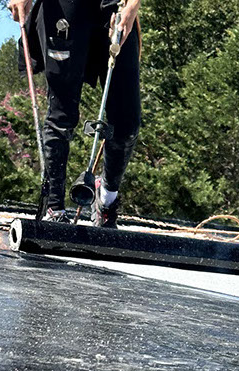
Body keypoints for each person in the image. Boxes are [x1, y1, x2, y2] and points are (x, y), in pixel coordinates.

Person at [8, 0, 141, 228]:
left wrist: (132, 6)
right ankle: (54, 206)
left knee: (127, 122)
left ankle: (106, 200)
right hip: (61, 8)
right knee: (62, 113)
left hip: (115, 6)